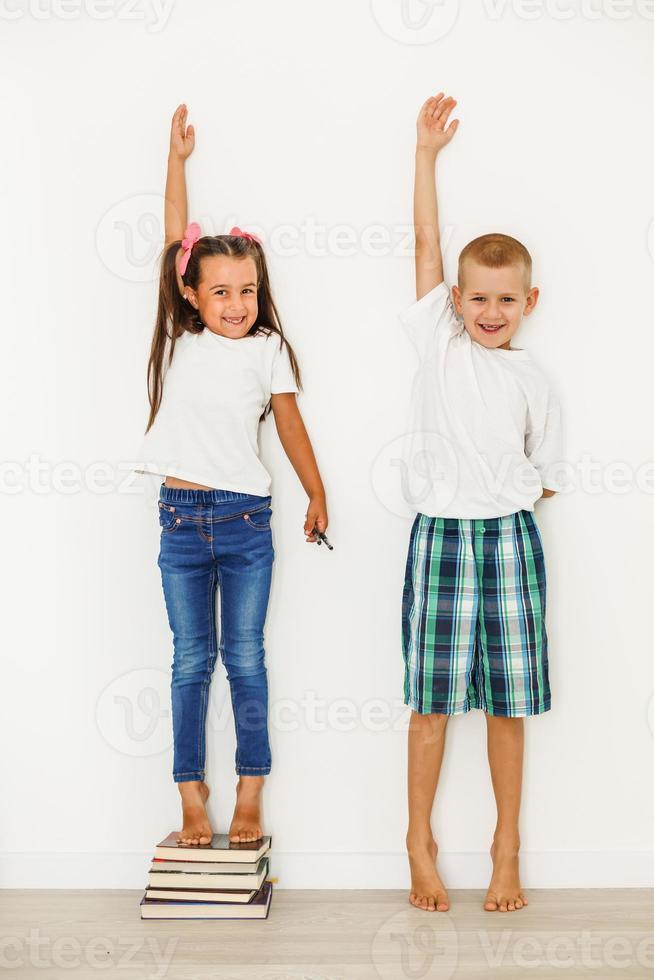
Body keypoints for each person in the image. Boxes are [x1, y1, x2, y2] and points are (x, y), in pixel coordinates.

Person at [133, 105, 328, 846]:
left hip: (247, 521)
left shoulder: (267, 348)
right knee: (190, 660)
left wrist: (317, 491)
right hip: (181, 521)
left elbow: (289, 424)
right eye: (221, 292)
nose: (237, 304)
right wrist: (176, 161)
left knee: (245, 657)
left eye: (246, 291)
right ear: (191, 294)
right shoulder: (180, 336)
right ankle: (191, 795)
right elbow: (171, 235)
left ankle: (250, 793)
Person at [399, 93, 566, 913]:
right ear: (456, 302)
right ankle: (417, 844)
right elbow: (428, 240)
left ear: (527, 302)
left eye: (506, 299)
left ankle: (508, 849)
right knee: (430, 705)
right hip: (441, 537)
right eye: (477, 298)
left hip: (510, 542)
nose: (490, 312)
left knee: (509, 702)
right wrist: (425, 156)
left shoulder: (534, 379)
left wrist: (512, 495)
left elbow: (546, 472)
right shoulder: (439, 339)